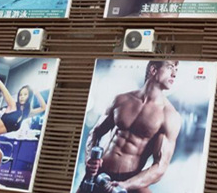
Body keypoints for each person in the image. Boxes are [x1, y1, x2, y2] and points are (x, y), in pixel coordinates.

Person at [76, 61, 182, 193]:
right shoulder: (121, 100)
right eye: (170, 67)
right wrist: (89, 160)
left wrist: (126, 185)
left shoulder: (170, 116)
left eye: (176, 70)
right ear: (153, 70)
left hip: (129, 181)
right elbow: (95, 132)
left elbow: (160, 166)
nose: (174, 74)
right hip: (100, 173)